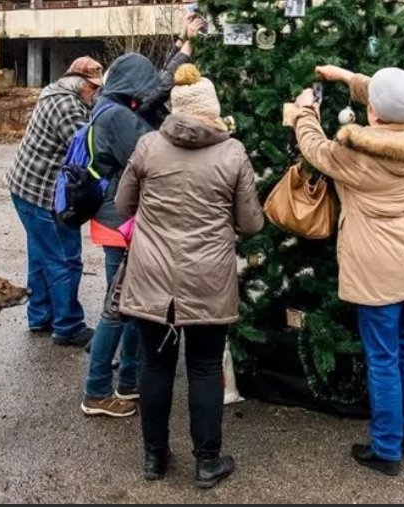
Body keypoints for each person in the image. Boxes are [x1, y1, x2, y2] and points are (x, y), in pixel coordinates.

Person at [287, 65, 404, 477]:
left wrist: (306, 111)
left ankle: (387, 449)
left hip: (379, 270)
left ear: (372, 112)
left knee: (383, 358)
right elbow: (394, 101)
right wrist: (344, 76)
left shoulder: (356, 153)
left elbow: (314, 148)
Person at [116, 64, 264, 488]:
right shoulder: (232, 152)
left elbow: (123, 207)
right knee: (203, 367)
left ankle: (153, 458)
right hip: (208, 278)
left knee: (155, 365)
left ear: (176, 108)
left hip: (150, 278)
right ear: (212, 109)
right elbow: (251, 223)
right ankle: (207, 462)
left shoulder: (147, 146)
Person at [81, 18, 205, 420]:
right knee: (116, 310)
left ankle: (129, 381)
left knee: (133, 309)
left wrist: (183, 44)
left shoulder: (114, 106)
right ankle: (97, 390)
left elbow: (152, 94)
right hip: (120, 224)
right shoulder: (116, 118)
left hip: (119, 221)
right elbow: (152, 146)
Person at [5, 56, 105, 347]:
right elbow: (86, 150)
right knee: (65, 259)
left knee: (41, 255)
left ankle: (40, 316)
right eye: (93, 88)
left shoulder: (54, 92)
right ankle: (68, 325)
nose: (96, 93)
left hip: (23, 187)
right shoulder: (67, 106)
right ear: (79, 82)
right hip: (41, 193)